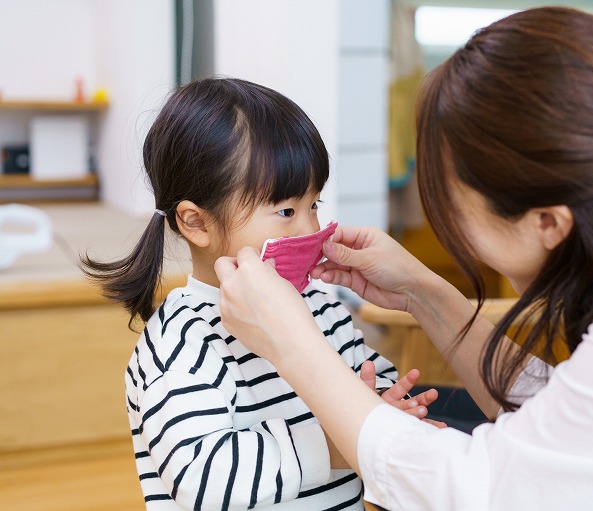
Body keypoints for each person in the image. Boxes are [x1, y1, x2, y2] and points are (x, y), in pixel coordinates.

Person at [212, 7, 593, 511]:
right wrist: (424, 295)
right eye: (285, 210)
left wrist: (296, 345)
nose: (308, 226)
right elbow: (578, 426)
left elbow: (490, 491)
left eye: (453, 206)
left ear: (548, 221)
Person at [80, 78, 439, 510]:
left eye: (314, 206)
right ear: (197, 223)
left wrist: (388, 405)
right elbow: (206, 478)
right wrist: (337, 447)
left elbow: (373, 383)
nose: (310, 230)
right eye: (286, 211)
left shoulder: (323, 308)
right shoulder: (181, 344)